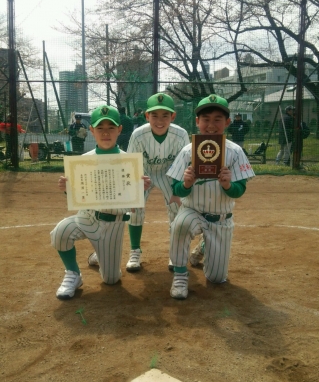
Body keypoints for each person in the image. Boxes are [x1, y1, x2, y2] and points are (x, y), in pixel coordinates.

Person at [50, 105, 150, 300]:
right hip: (88, 218)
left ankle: (99, 255)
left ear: (119, 130)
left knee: (111, 280)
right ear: (92, 131)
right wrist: (67, 190)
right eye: (100, 128)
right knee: (61, 232)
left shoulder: (130, 162)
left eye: (111, 128)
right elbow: (78, 198)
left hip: (114, 224)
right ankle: (73, 274)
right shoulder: (82, 162)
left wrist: (140, 189)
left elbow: (135, 205)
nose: (106, 132)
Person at [166, 94, 255, 300]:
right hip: (193, 210)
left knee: (216, 278)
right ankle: (180, 275)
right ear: (197, 122)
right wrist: (186, 184)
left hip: (221, 218)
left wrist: (228, 185)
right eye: (206, 119)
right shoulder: (188, 151)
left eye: (218, 119)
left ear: (227, 122)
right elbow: (176, 189)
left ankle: (204, 246)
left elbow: (240, 190)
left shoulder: (235, 151)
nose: (211, 124)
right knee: (180, 224)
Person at [125, 92, 190, 272]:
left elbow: (183, 165)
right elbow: (131, 164)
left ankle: (174, 253)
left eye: (165, 115)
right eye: (154, 115)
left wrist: (177, 191)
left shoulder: (181, 134)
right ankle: (135, 250)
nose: (159, 120)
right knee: (135, 207)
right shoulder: (138, 135)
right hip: (143, 173)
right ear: (147, 116)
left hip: (170, 173)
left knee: (177, 208)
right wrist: (137, 184)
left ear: (173, 116)